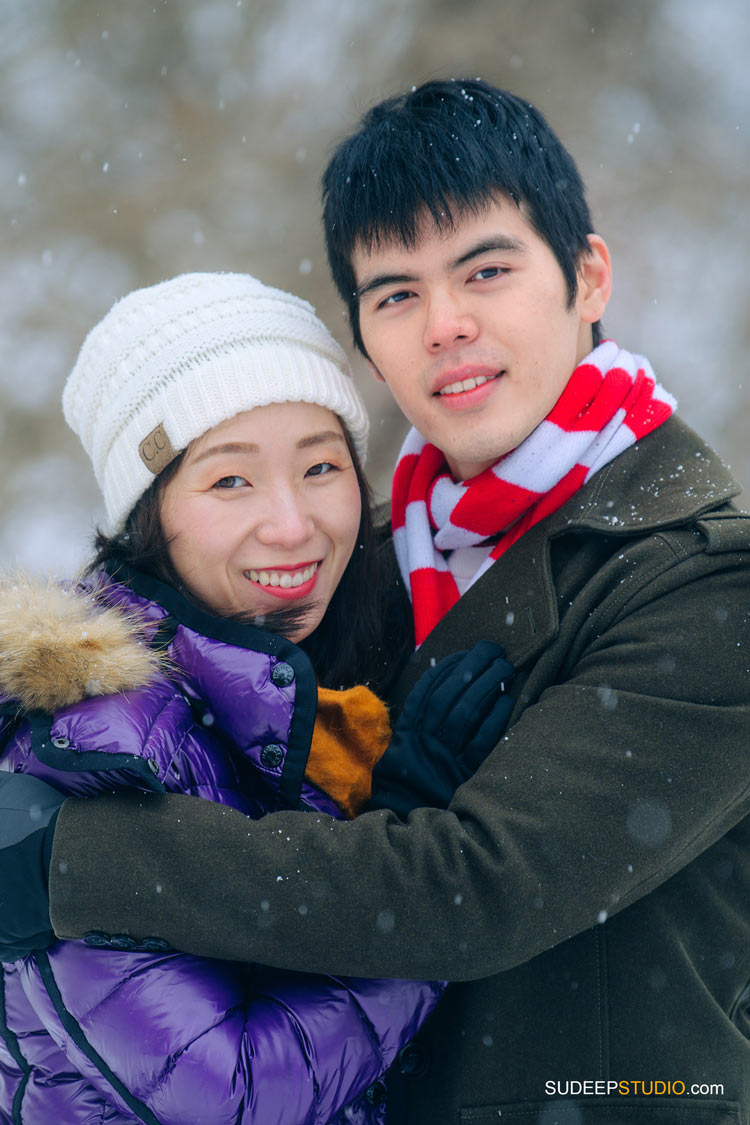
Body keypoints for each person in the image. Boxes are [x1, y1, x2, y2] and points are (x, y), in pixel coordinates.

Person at [3, 78, 749, 1122]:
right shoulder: (375, 558)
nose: (446, 325)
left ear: (587, 277)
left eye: (485, 269)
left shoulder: (703, 580)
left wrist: (79, 860)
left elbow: (478, 888)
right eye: (396, 293)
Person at [0, 270, 514, 1124]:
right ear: (149, 515)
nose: (291, 523)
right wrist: (418, 850)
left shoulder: (327, 687)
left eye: (320, 466)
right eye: (230, 481)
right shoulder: (92, 737)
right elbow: (238, 1094)